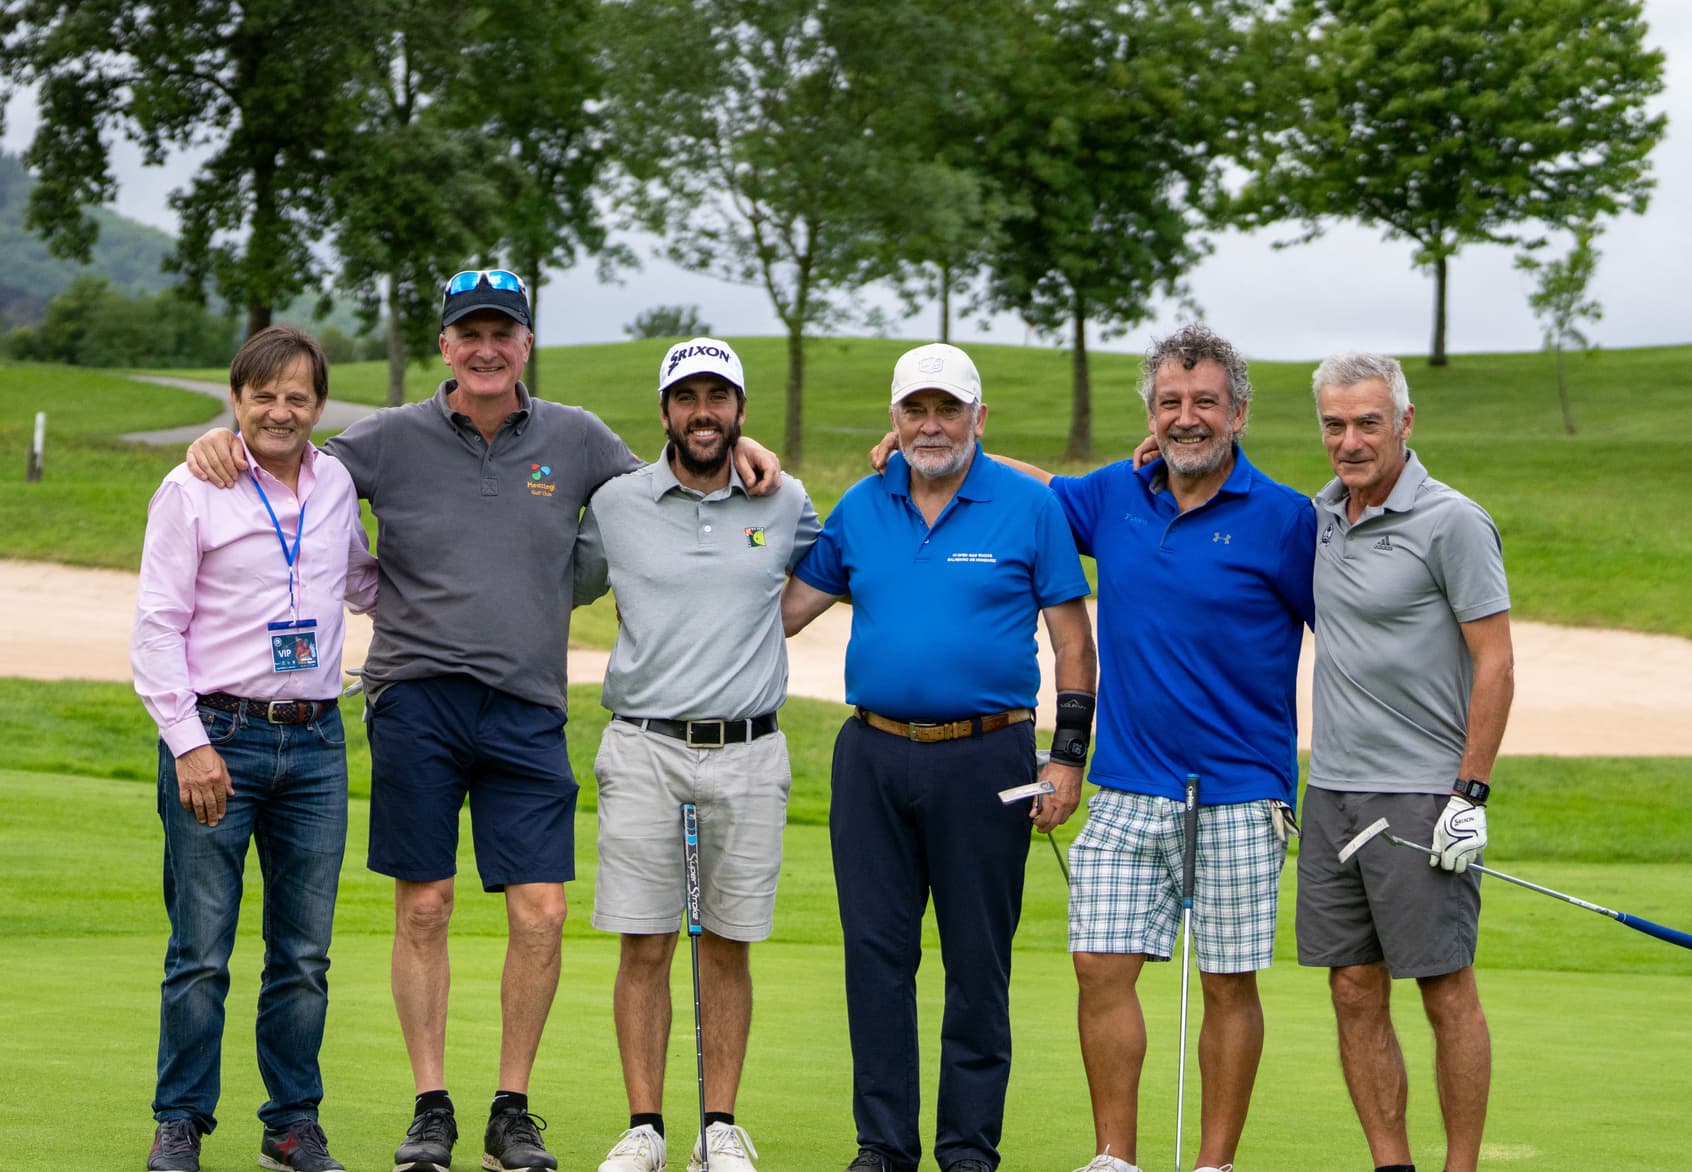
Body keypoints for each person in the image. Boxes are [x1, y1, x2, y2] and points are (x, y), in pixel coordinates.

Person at [183, 272, 782, 1172]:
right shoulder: (386, 439)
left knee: (541, 912)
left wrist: (740, 445)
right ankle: (432, 1107)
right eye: (471, 334)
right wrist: (219, 438)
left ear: (527, 345)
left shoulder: (577, 439)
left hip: (530, 705)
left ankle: (512, 1108)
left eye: (504, 332)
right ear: (446, 346)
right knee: (425, 904)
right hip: (416, 698)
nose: (488, 348)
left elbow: (672, 476)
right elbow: (288, 452)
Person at [974, 324, 1314, 1172]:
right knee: (1099, 967)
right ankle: (1114, 1158)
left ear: (1238, 412)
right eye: (1170, 403)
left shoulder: (1286, 519)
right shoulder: (1115, 496)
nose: (1186, 418)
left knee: (1229, 982)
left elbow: (1342, 634)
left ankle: (1214, 1163)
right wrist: (934, 452)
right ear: (1151, 413)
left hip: (1241, 789)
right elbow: (1039, 489)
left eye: (1204, 403)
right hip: (1128, 783)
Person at [782, 342, 1098, 1172]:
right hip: (873, 758)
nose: (931, 426)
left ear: (978, 419)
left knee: (977, 963)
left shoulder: (1027, 508)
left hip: (988, 759)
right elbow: (784, 612)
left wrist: (1066, 757)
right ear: (894, 419)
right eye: (915, 410)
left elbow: (1073, 643)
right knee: (877, 958)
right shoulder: (860, 506)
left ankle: (967, 1148)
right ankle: (883, 1145)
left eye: (947, 409)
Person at [132, 326, 378, 1172]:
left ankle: (291, 1125)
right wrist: (190, 745)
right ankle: (181, 1121)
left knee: (303, 954)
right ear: (237, 400)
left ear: (318, 406)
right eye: (263, 394)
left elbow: (362, 579)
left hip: (315, 742)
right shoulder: (191, 487)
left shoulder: (338, 482)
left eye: (297, 396)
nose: (280, 410)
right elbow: (157, 628)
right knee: (200, 951)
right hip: (218, 739)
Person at [573, 338, 820, 1172]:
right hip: (644, 746)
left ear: (741, 409)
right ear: (665, 410)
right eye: (688, 398)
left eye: (720, 398)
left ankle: (721, 1126)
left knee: (728, 941)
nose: (704, 413)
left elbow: (843, 565)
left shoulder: (783, 501)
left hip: (750, 751)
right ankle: (645, 1127)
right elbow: (551, 576)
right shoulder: (616, 502)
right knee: (644, 942)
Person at [1296, 352, 1514, 1172]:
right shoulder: (1317, 516)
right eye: (1335, 424)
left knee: (1443, 987)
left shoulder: (1454, 521)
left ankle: (1460, 1166)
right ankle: (1392, 1164)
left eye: (1367, 423)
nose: (1350, 441)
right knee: (1352, 987)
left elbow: (1496, 662)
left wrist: (1471, 793)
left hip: (1424, 795)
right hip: (1334, 794)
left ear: (1405, 423)